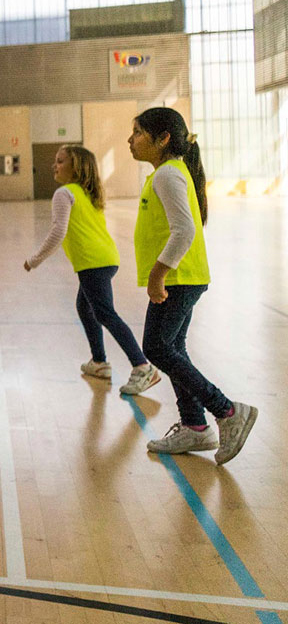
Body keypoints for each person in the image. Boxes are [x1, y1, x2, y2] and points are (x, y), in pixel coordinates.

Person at [128, 108, 256, 464]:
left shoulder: (168, 174)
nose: (130, 140)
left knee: (156, 347)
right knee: (172, 347)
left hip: (178, 278)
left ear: (163, 138)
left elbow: (183, 230)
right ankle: (195, 426)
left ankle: (227, 411)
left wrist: (157, 275)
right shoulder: (167, 173)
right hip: (184, 276)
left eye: (137, 132)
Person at [24, 145, 158, 394]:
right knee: (84, 307)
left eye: (60, 161)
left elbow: (58, 231)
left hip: (92, 262)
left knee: (105, 313)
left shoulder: (64, 193)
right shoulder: (88, 193)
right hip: (107, 258)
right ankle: (99, 362)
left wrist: (34, 259)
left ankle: (142, 366)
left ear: (76, 167)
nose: (54, 165)